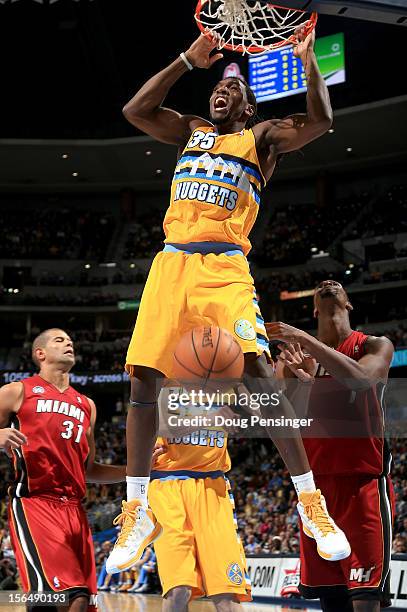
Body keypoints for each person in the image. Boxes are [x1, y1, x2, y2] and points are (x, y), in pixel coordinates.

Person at [106, 26, 350, 574]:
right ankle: (136, 507)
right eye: (217, 86)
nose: (222, 90)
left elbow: (321, 122)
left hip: (224, 266)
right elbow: (135, 110)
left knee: (258, 372)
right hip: (171, 262)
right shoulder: (192, 130)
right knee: (144, 378)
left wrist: (310, 64)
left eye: (233, 87)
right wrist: (186, 62)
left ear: (249, 103)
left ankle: (309, 501)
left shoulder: (261, 139)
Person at [268, 279, 395, 612]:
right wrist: (302, 384)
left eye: (335, 284)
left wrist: (305, 340)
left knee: (365, 601)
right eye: (321, 286)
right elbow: (289, 421)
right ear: (314, 309)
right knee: (333, 603)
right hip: (316, 497)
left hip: (362, 484)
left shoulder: (375, 345)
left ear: (348, 304)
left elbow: (361, 378)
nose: (327, 284)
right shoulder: (294, 358)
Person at [0, 329, 127, 612]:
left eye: (70, 340)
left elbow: (89, 470)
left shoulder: (86, 405)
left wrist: (137, 470)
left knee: (70, 600)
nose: (68, 342)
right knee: (70, 596)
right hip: (35, 503)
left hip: (74, 510)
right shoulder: (17, 391)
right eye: (59, 340)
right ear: (40, 354)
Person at [146, 395, 251, 611]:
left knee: (227, 591)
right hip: (168, 487)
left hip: (212, 487)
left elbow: (273, 410)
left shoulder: (228, 382)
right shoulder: (165, 382)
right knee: (178, 589)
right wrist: (211, 417)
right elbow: (166, 426)